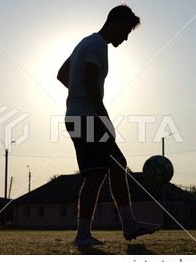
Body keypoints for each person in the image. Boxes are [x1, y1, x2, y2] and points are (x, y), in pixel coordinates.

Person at [57, 4, 161, 246]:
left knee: (117, 165)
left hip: (81, 114)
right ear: (115, 24)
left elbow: (63, 74)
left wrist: (76, 95)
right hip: (87, 118)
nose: (125, 38)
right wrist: (102, 117)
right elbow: (91, 80)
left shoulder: (86, 42)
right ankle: (83, 235)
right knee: (95, 174)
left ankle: (129, 225)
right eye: (125, 32)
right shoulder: (97, 45)